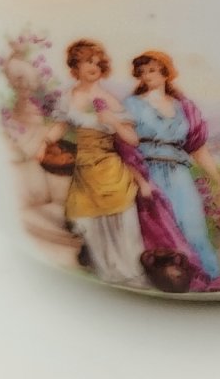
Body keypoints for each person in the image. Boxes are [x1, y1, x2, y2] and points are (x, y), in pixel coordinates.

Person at [50, 39, 150, 288]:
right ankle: (107, 274)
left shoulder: (109, 100)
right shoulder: (69, 97)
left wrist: (112, 121)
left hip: (110, 170)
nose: (93, 66)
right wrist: (41, 144)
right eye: (87, 61)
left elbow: (132, 139)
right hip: (85, 171)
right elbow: (58, 127)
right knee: (89, 223)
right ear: (75, 67)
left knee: (122, 224)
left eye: (97, 62)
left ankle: (132, 275)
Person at [122, 49, 220, 283]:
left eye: (152, 70)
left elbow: (198, 148)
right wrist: (141, 180)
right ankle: (172, 280)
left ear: (165, 72)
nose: (146, 75)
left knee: (192, 225)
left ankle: (207, 276)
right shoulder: (132, 105)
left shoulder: (183, 107)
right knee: (164, 229)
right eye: (142, 71)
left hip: (179, 174)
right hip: (150, 172)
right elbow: (125, 147)